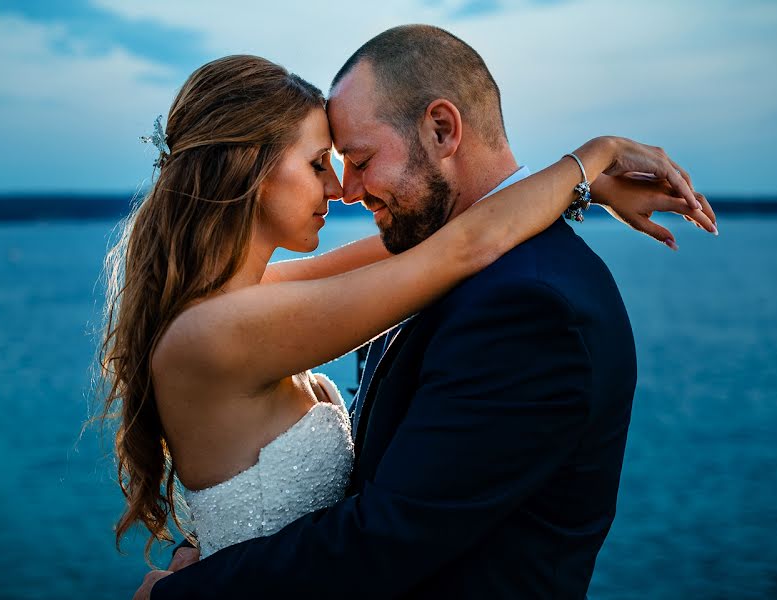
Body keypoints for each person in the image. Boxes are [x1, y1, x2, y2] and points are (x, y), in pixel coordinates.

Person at [117, 27, 717, 600]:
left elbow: (456, 241)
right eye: (322, 163)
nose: (342, 188)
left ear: (441, 128)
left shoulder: (530, 305)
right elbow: (461, 245)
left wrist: (582, 186)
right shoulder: (228, 323)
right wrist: (592, 160)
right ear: (246, 169)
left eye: (352, 159)